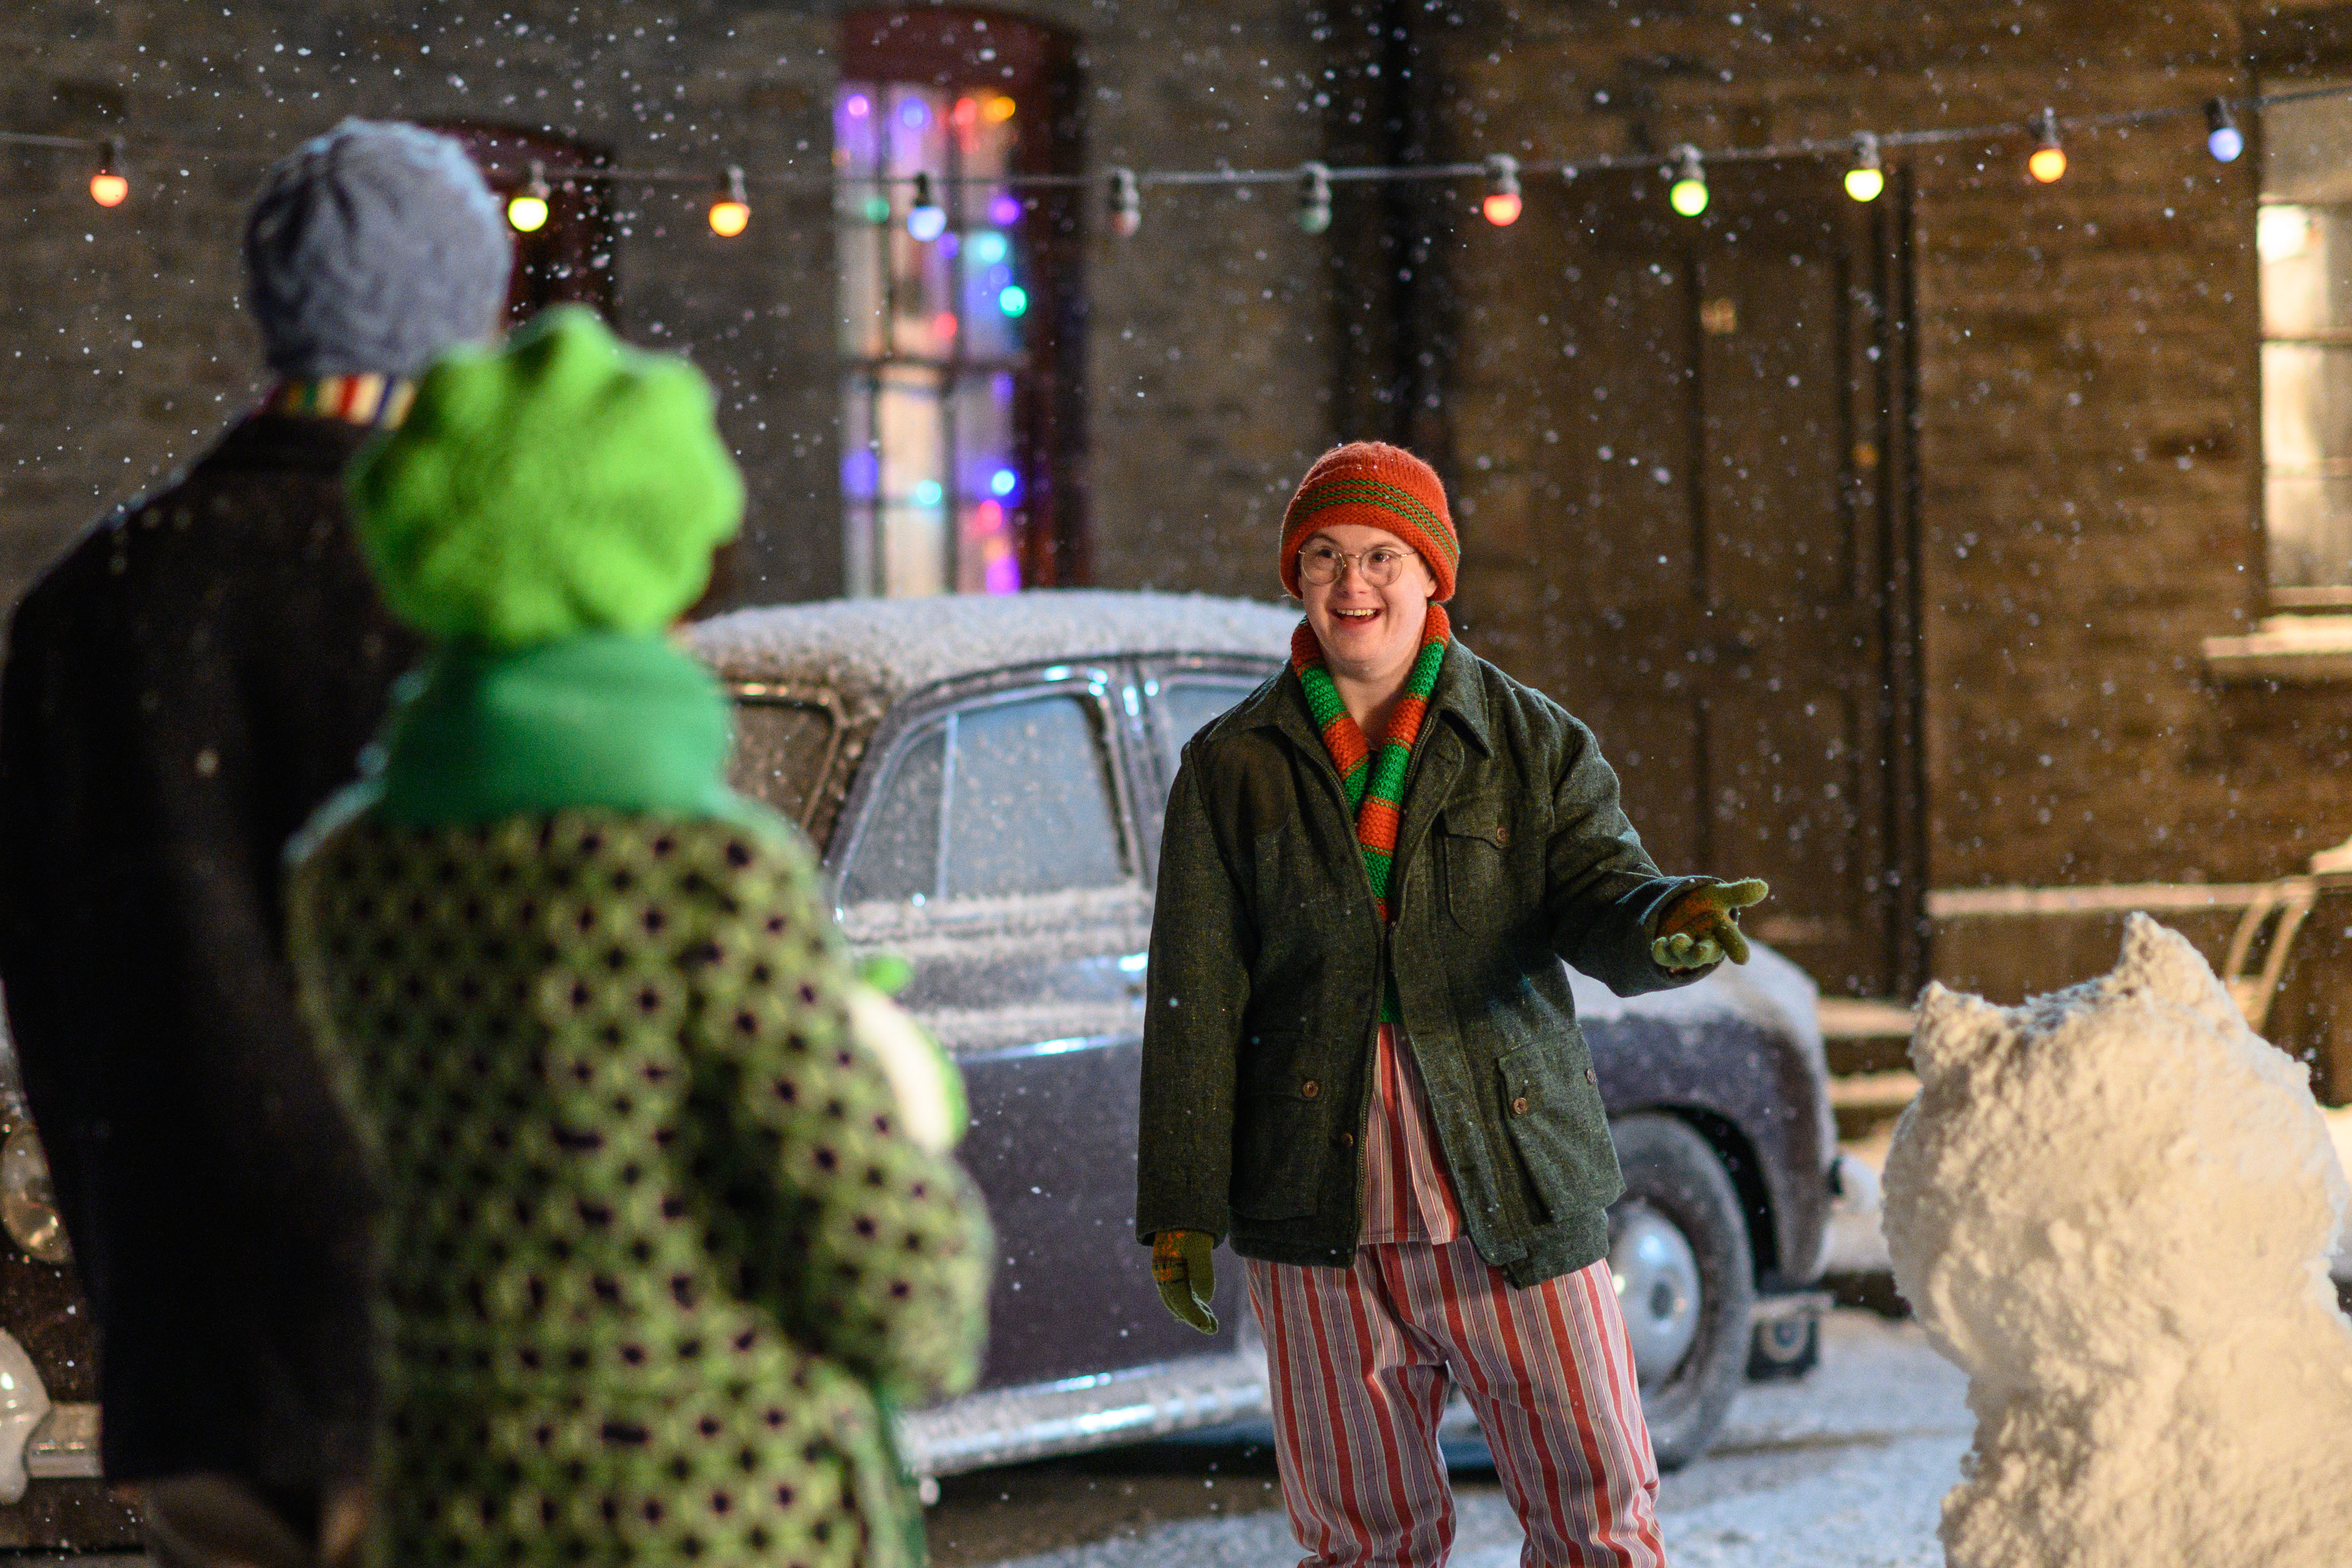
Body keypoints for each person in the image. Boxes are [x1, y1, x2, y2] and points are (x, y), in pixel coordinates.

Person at [282, 305, 993, 1568]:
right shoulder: (709, 877)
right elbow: (904, 1298)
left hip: (458, 1500)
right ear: (651, 559)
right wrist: (893, 1081)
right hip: (724, 1513)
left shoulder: (348, 876)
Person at [0, 120, 512, 1567]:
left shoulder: (85, 608)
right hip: (449, 1332)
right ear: (463, 313)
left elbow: (52, 988)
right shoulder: (458, 591)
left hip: (191, 1337)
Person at [1136, 441, 1768, 1568]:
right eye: (1323, 556)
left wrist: (1661, 926)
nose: (1351, 583)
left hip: (1513, 1192)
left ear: (1434, 577)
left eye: (1382, 554)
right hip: (1315, 1213)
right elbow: (1195, 1000)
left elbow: (1601, 895)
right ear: (1296, 577)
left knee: (1598, 1524)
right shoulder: (1232, 766)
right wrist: (1181, 1198)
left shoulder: (1529, 742)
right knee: (1362, 1543)